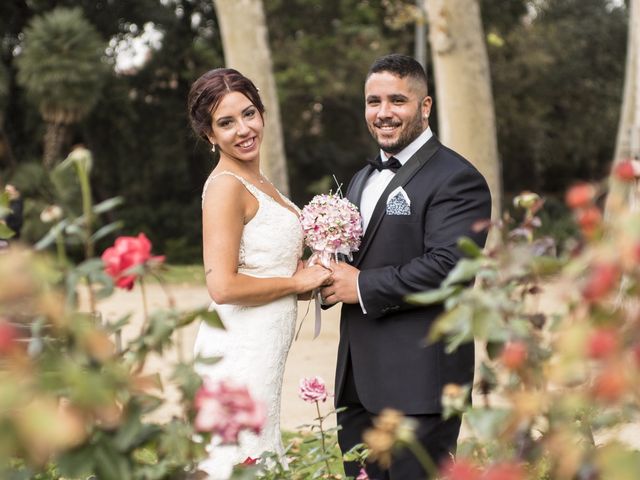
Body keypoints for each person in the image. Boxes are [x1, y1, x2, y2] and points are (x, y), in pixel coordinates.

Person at [320, 54, 492, 479]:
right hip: (358, 384)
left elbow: (451, 266)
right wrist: (324, 268)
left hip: (420, 387)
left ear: (425, 106)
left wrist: (361, 285)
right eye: (373, 101)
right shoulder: (361, 178)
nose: (383, 113)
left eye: (397, 100)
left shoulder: (457, 178)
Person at [187, 68, 332, 478]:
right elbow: (222, 284)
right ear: (209, 135)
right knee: (238, 454)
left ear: (263, 113)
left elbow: (261, 268)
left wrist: (304, 278)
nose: (243, 129)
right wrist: (295, 281)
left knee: (258, 445)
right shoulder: (225, 187)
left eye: (249, 114)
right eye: (226, 123)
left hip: (265, 340)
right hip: (240, 345)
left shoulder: (259, 179)